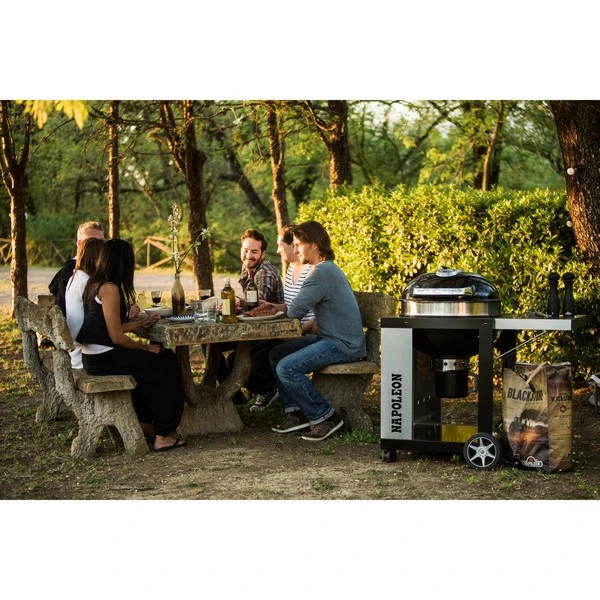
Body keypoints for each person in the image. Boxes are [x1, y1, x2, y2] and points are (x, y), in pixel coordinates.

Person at [76, 239, 186, 452]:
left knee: (160, 360)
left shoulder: (94, 283)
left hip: (94, 356)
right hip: (105, 358)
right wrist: (146, 348)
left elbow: (108, 327)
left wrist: (141, 324)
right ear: (123, 263)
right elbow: (116, 337)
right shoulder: (109, 288)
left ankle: (146, 423)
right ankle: (163, 434)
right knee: (167, 363)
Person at [266, 220, 366, 441]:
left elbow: (294, 312)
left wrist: (269, 313)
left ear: (314, 245)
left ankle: (325, 418)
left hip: (344, 345)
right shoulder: (324, 269)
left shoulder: (320, 273)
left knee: (286, 368)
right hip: (330, 338)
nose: (295, 250)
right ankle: (297, 413)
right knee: (276, 354)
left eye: (298, 244)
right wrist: (272, 308)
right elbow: (295, 308)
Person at [248, 225, 316, 411]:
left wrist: (297, 332)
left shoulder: (311, 272)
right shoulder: (291, 269)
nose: (278, 250)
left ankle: (275, 391)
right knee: (242, 357)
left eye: (280, 245)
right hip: (289, 331)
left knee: (257, 362)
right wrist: (271, 306)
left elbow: (318, 316)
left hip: (304, 334)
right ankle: (273, 390)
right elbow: (290, 307)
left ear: (293, 245)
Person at [216, 228, 285, 401]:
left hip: (269, 332)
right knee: (210, 344)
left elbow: (257, 303)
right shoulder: (249, 267)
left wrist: (237, 302)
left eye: (254, 251)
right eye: (245, 250)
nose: (248, 255)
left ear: (263, 254)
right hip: (253, 327)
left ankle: (265, 390)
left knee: (233, 359)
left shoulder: (264, 273)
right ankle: (234, 396)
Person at [64, 237, 105, 369]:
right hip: (83, 356)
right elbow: (104, 318)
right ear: (96, 258)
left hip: (75, 352)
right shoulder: (86, 283)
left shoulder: (75, 278)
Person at [49, 221, 105, 316]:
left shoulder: (100, 268)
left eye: (101, 241)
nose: (98, 246)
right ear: (79, 244)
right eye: (92, 242)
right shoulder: (71, 271)